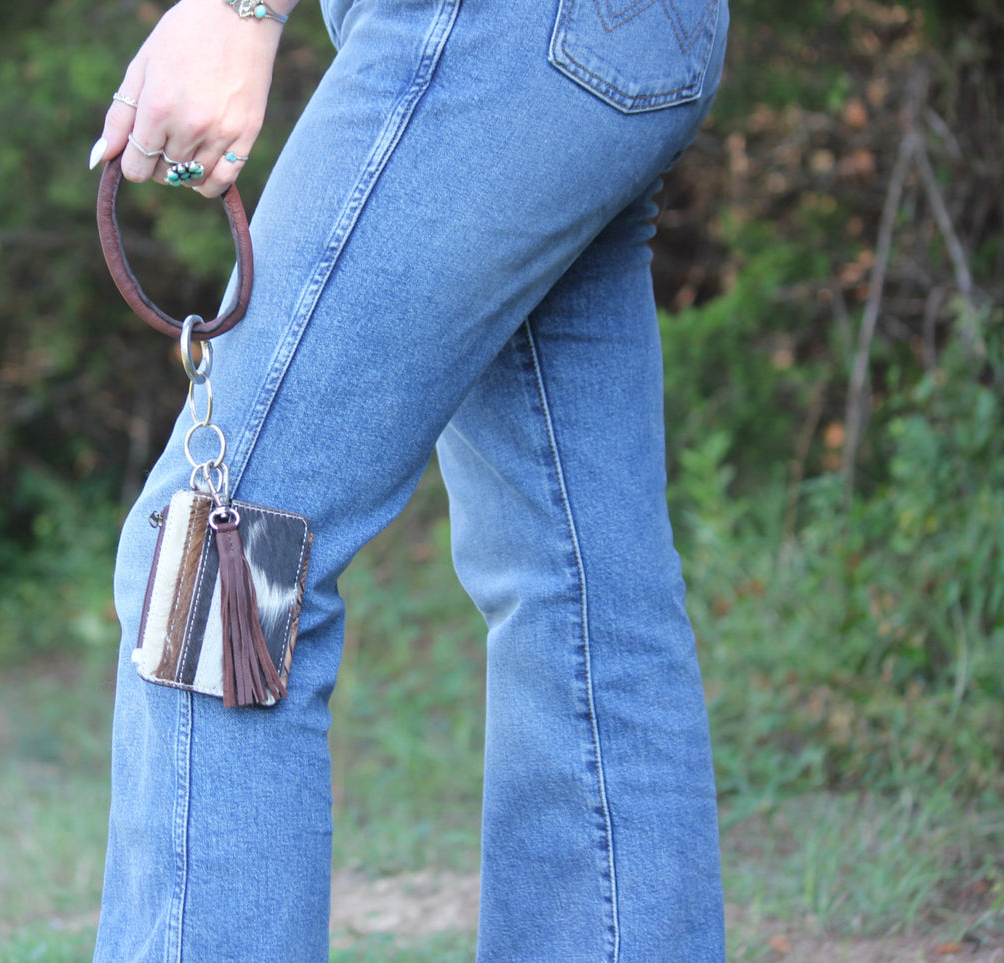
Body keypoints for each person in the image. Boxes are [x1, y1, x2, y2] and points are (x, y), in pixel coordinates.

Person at [87, 0, 730, 958]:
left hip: (489, 32)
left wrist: (239, 11)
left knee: (217, 566)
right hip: (631, 38)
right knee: (581, 595)